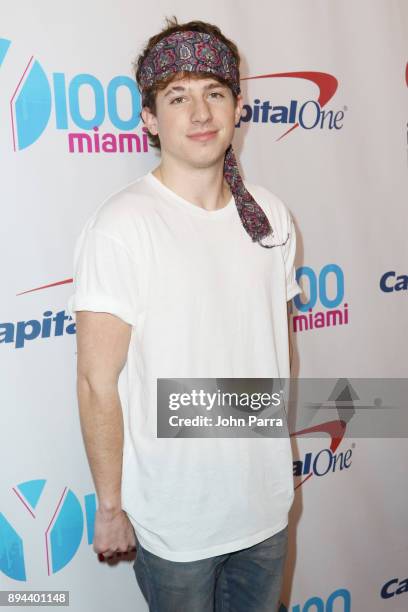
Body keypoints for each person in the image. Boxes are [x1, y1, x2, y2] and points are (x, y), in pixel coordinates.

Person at [67, 16, 302, 612]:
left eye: (214, 93)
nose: (200, 114)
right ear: (149, 118)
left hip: (266, 508)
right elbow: (98, 382)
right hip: (177, 524)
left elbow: (277, 350)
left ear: (237, 105)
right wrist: (111, 506)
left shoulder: (269, 215)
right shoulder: (121, 226)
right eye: (178, 96)